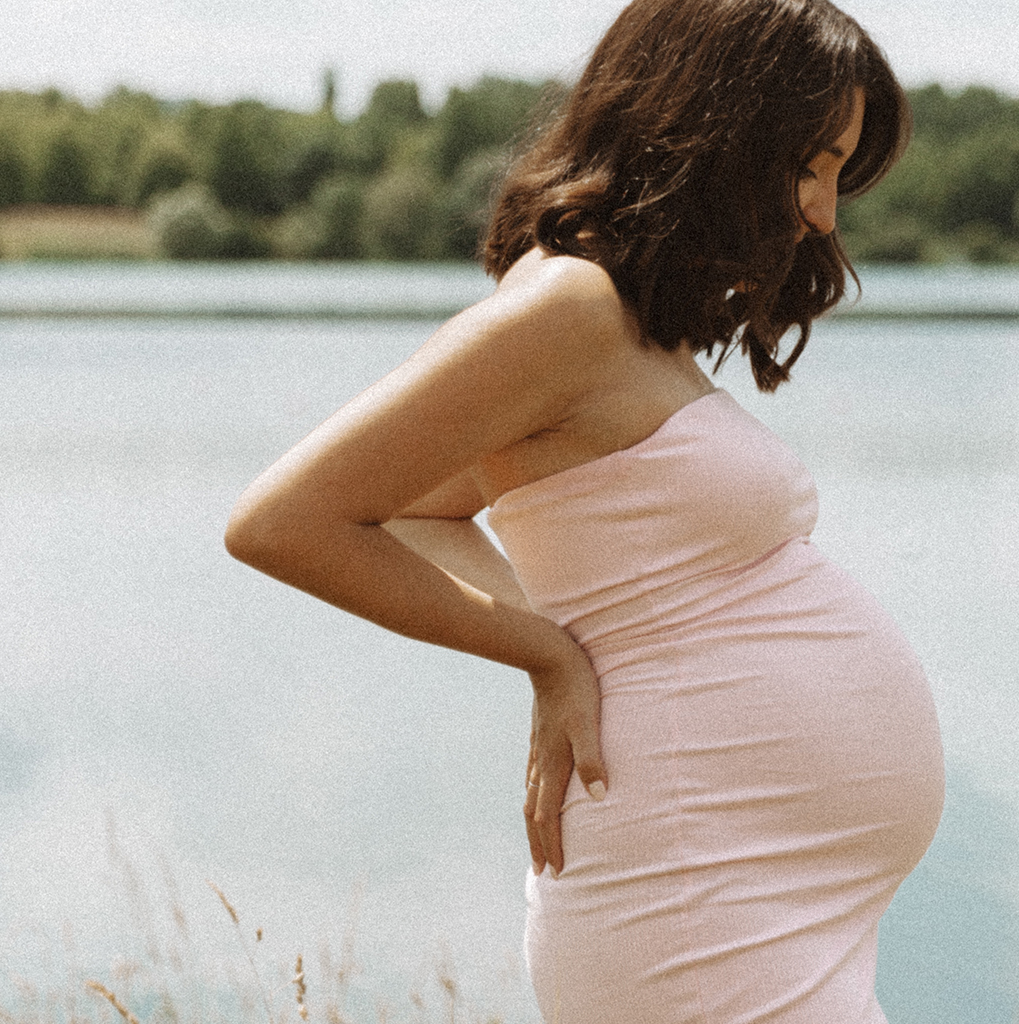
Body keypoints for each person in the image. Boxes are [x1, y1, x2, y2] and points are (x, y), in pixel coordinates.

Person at [224, 0, 944, 1019]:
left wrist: (563, 635)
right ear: (714, 128)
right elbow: (283, 520)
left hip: (745, 883)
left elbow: (427, 508)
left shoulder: (626, 321)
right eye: (809, 166)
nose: (823, 213)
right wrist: (546, 650)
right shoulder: (567, 307)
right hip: (692, 883)